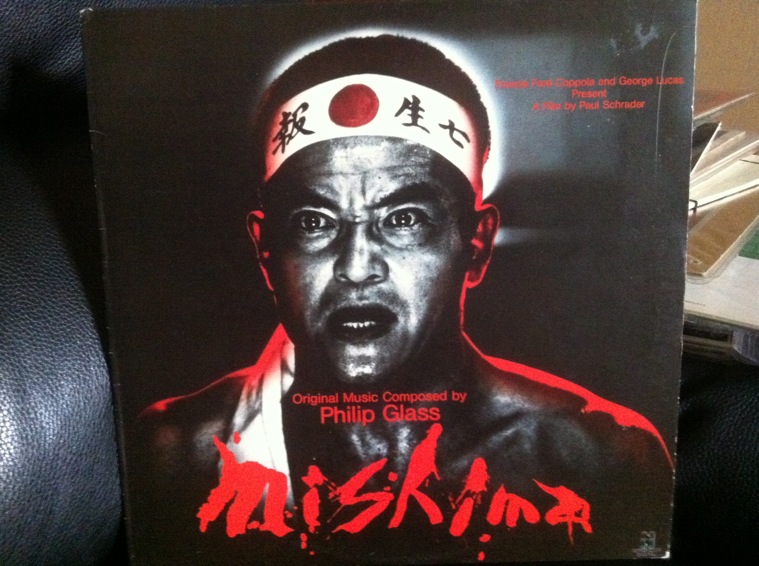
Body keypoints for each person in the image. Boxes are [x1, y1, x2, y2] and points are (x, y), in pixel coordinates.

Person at [131, 34, 673, 563]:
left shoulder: (592, 456)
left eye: (404, 219)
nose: (356, 268)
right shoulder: (178, 453)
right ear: (265, 249)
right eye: (314, 222)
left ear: (476, 244)